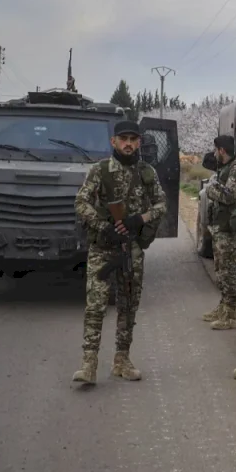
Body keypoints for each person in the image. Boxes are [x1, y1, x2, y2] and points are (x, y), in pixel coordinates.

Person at [72, 120, 167, 385]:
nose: (128, 144)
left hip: (131, 248)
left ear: (139, 143)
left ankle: (122, 360)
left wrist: (140, 219)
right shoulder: (100, 170)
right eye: (123, 139)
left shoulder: (147, 172)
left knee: (128, 306)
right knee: (95, 306)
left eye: (133, 139)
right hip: (103, 248)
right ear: (113, 142)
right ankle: (89, 364)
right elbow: (81, 202)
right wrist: (104, 226)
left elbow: (161, 205)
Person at [202, 136, 236, 331]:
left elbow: (229, 196)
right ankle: (223, 307)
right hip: (220, 227)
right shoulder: (226, 169)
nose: (214, 154)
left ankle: (230, 314)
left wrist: (210, 189)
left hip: (228, 229)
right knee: (221, 270)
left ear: (221, 150)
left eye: (216, 150)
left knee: (228, 272)